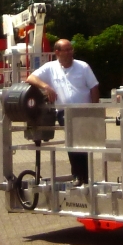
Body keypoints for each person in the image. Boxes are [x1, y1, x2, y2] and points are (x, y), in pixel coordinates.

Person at [25, 39, 99, 185]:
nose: (70, 52)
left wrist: (94, 109)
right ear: (57, 52)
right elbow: (30, 78)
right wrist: (46, 86)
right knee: (74, 140)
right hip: (64, 112)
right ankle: (79, 175)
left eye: (71, 49)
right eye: (66, 50)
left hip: (84, 111)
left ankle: (82, 176)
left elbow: (94, 88)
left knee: (81, 143)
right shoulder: (50, 67)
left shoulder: (83, 67)